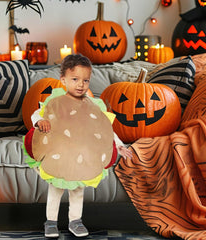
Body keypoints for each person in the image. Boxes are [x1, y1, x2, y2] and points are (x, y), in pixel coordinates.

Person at [23, 54, 132, 238]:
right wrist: (40, 121)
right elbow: (36, 114)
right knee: (56, 188)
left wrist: (119, 145)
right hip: (60, 152)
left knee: (77, 190)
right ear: (63, 80)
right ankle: (51, 222)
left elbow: (104, 130)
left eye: (85, 80)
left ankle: (75, 221)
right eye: (75, 79)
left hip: (81, 155)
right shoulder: (55, 103)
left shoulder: (92, 107)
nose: (81, 84)